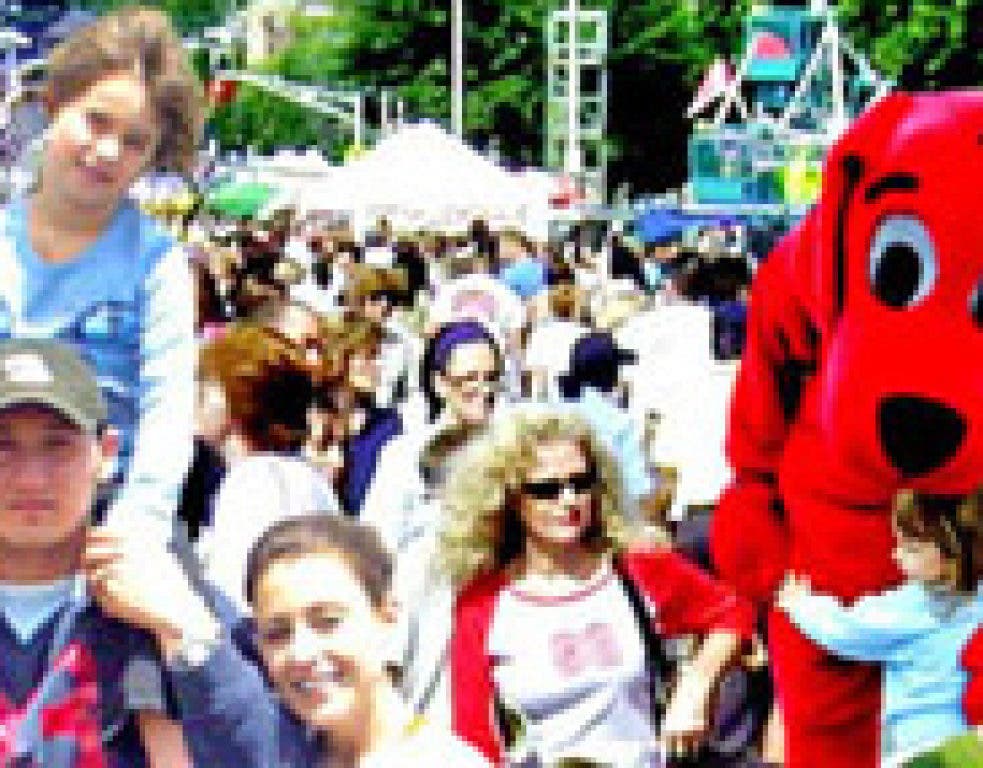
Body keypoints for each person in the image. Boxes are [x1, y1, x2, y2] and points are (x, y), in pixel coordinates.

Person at [444, 411, 755, 766]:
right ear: (511, 499)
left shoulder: (637, 569)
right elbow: (473, 738)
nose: (569, 500)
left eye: (581, 483)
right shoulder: (483, 603)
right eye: (547, 490)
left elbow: (733, 612)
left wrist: (698, 683)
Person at [0, 8, 202, 543]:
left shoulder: (158, 266)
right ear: (52, 107)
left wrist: (135, 533)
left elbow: (167, 415)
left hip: (108, 522)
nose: (108, 152)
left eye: (135, 142)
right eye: (96, 122)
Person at [102, 513, 490, 766]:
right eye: (278, 633)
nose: (301, 652)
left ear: (387, 619)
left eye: (328, 622)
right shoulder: (295, 750)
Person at [0, 338, 189, 766]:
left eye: (57, 446)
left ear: (106, 455)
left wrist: (188, 631)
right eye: (3, 447)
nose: (31, 479)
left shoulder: (160, 602)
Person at [777, 489, 983, 767]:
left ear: (951, 553)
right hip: (968, 742)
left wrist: (800, 604)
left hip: (917, 746)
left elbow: (845, 630)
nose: (896, 554)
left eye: (911, 548)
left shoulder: (912, 608)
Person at [196, 322, 340, 610]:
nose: (193, 400)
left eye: (204, 388)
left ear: (234, 400)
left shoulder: (255, 482)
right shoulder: (300, 475)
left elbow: (235, 603)